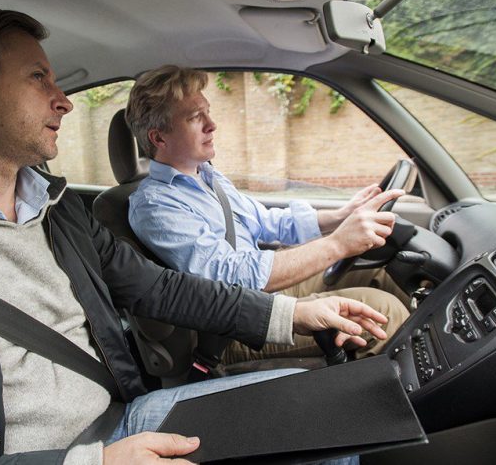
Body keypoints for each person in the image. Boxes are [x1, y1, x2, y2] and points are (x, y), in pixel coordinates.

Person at [0, 5, 389, 465]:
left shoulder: (60, 212)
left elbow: (160, 289)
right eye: (38, 77)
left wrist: (293, 314)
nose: (63, 99)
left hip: (126, 420)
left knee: (328, 416)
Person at [127, 65, 410, 363]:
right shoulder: (155, 206)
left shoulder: (208, 176)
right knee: (384, 311)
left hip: (262, 296)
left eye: (207, 112)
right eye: (196, 117)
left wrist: (341, 216)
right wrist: (337, 244)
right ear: (159, 138)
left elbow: (265, 222)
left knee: (378, 269)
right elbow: (230, 279)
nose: (212, 125)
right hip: (235, 327)